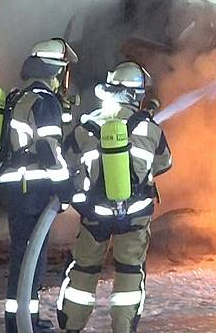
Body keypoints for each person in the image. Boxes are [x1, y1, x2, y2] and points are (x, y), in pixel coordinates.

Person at [56, 61, 172, 333]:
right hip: (134, 215)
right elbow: (165, 163)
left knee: (85, 268)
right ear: (136, 94)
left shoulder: (89, 124)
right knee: (130, 271)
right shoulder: (149, 128)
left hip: (95, 214)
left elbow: (67, 156)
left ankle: (72, 325)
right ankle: (123, 327)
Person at [0, 38, 78, 333]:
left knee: (24, 256)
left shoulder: (23, 96)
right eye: (62, 72)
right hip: (30, 188)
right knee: (30, 258)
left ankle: (19, 320)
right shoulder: (44, 101)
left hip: (19, 186)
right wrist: (65, 185)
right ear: (53, 70)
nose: (62, 79)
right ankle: (22, 324)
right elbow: (48, 149)